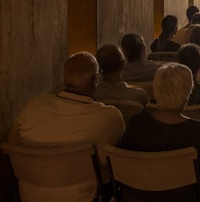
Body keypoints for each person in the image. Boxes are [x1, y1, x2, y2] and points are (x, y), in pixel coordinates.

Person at [8, 52, 125, 202]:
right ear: (95, 80)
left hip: (30, 195)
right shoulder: (110, 117)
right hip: (84, 197)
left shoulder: (35, 105)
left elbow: (12, 144)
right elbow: (109, 162)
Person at [119, 63, 200, 202]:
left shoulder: (137, 124)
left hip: (137, 196)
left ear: (156, 90)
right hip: (185, 197)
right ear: (188, 94)